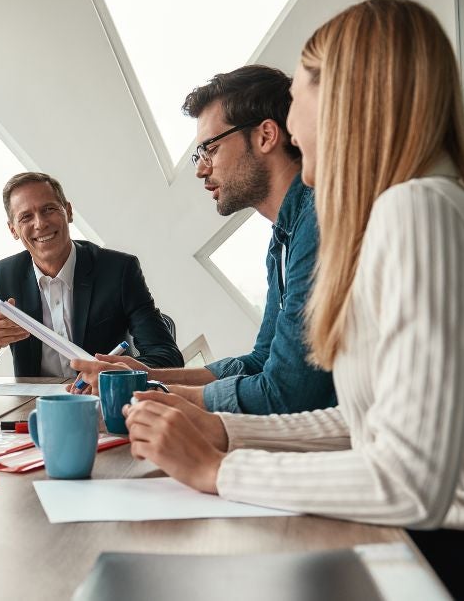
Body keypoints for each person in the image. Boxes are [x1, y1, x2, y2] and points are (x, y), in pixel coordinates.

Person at [117, 0, 464, 597]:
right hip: (461, 542)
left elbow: (411, 478)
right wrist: (225, 430)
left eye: (299, 97)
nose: (293, 126)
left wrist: (217, 469)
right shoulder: (410, 208)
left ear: (350, 98)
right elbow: (368, 424)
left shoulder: (417, 212)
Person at [72, 65, 335, 415]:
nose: (201, 168)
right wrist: (148, 374)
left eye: (209, 149)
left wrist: (154, 390)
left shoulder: (317, 220)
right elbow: (262, 360)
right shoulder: (283, 240)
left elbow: (287, 392)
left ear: (266, 136)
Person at [0, 172, 181, 380]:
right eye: (26, 217)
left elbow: (167, 356)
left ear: (68, 211)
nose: (40, 224)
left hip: (104, 404)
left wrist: (120, 373)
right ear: (13, 230)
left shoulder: (119, 270)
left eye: (48, 209)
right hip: (35, 410)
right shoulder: (4, 276)